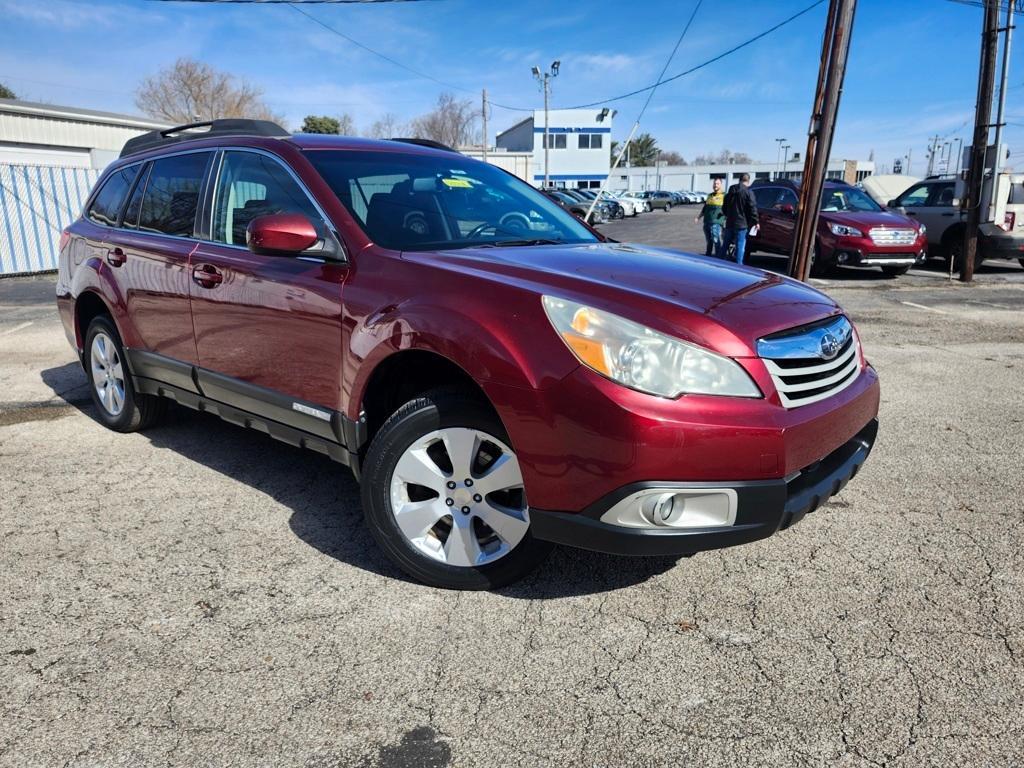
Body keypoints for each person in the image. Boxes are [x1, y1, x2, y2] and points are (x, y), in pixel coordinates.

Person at [718, 173, 759, 264]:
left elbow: (724, 206)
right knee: (740, 246)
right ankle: (739, 266)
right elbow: (753, 207)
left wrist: (727, 215)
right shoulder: (748, 192)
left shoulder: (730, 191)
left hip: (730, 222)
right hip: (742, 224)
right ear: (748, 181)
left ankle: (719, 262)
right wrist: (756, 221)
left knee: (725, 244)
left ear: (739, 180)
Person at [695, 178, 725, 257]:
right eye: (714, 183)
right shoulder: (710, 196)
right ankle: (708, 257)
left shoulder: (724, 196)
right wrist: (698, 217)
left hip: (716, 222)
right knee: (709, 242)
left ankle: (719, 258)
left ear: (721, 185)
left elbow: (728, 208)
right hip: (707, 222)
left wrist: (725, 217)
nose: (715, 185)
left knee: (716, 239)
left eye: (717, 183)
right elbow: (705, 208)